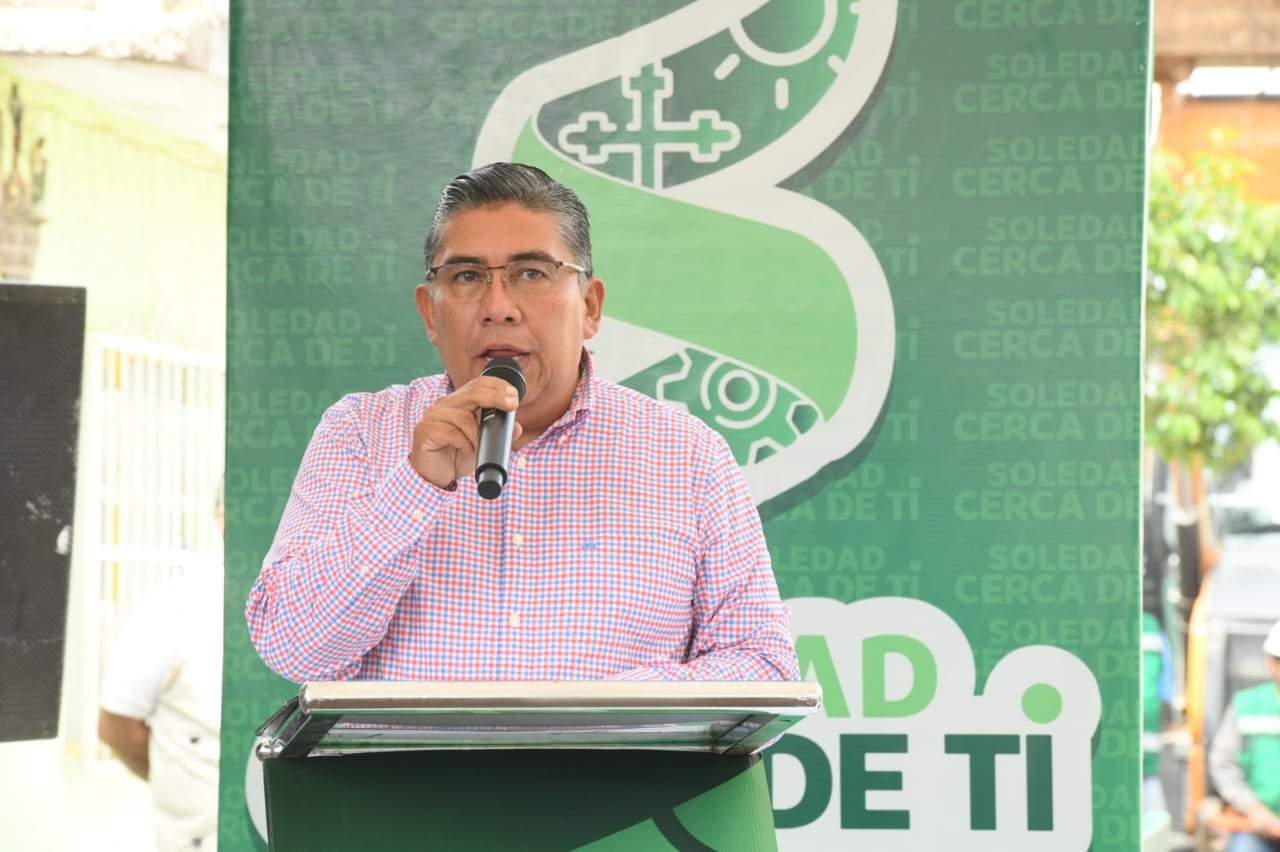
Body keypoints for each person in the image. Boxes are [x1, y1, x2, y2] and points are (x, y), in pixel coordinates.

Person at [246, 162, 798, 684]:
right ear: (430, 313)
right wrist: (414, 487)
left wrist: (604, 712)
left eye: (531, 273)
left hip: (612, 759)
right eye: (467, 276)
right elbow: (292, 648)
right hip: (410, 762)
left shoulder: (687, 454)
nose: (499, 307)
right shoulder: (361, 432)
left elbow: (763, 664)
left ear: (590, 307)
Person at [99, 488, 224, 852]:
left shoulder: (326, 608)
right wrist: (177, 780)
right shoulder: (171, 608)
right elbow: (117, 727)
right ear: (222, 518)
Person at [1208, 619, 1280, 852]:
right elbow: (1223, 763)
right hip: (1256, 827)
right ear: (1270, 662)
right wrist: (1253, 808)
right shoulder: (1247, 705)